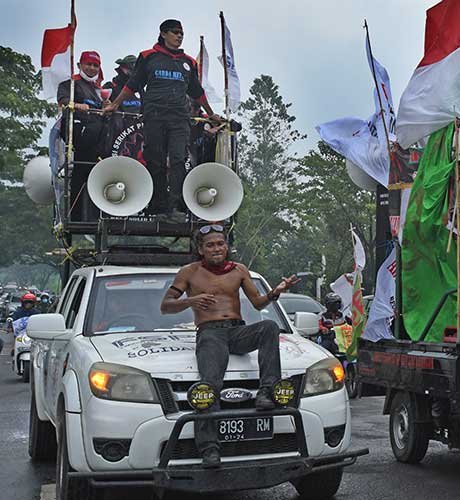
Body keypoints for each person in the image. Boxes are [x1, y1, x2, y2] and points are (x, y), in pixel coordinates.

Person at [160, 224, 299, 467]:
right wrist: (192, 300)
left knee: (268, 327)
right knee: (210, 385)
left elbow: (258, 303)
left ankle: (267, 393)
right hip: (210, 333)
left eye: (220, 244)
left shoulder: (239, 270)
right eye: (210, 245)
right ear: (201, 250)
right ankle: (209, 449)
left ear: (227, 246)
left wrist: (275, 292)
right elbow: (166, 305)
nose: (216, 249)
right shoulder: (189, 272)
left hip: (237, 331)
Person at [104, 19, 223, 220]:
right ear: (163, 33)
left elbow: (197, 92)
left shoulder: (189, 62)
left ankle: (175, 206)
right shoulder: (148, 57)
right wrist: (115, 104)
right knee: (155, 159)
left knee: (178, 159)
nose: (179, 36)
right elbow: (133, 84)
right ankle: (157, 206)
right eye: (175, 32)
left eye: (182, 33)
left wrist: (210, 113)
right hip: (154, 116)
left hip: (179, 118)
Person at [57, 50, 107, 221]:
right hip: (79, 133)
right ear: (79, 65)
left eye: (95, 65)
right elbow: (63, 100)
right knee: (81, 171)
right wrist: (77, 105)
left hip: (98, 137)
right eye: (89, 64)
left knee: (96, 172)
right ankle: (76, 216)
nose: (92, 68)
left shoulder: (99, 89)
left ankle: (96, 214)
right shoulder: (70, 84)